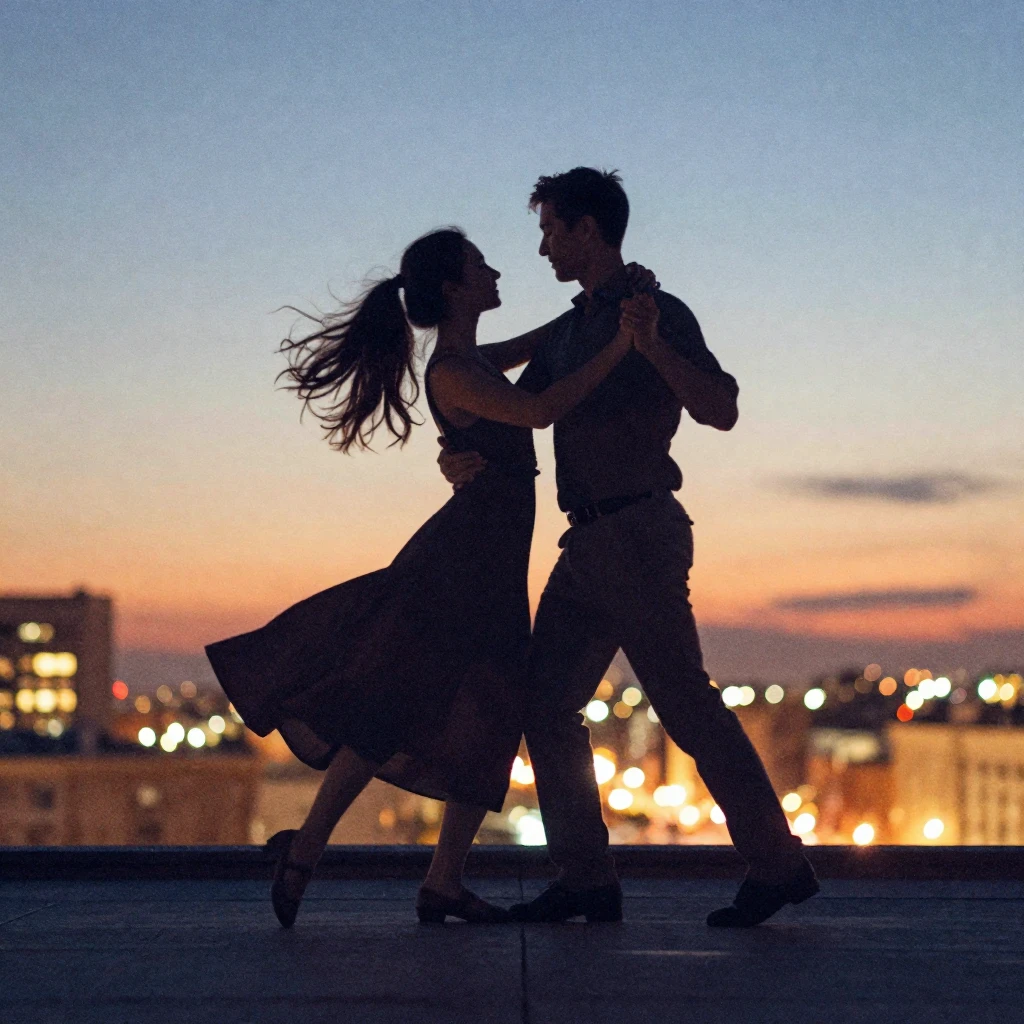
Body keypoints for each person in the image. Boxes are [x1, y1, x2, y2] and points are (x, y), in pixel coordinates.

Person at [205, 226, 649, 928]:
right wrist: (624, 342)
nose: (496, 271)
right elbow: (539, 410)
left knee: (484, 714)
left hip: (490, 561)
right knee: (402, 702)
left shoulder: (473, 360)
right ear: (453, 287)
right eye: (480, 265)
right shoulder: (452, 371)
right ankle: (317, 849)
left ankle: (434, 880)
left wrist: (600, 304)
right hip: (462, 562)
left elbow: (538, 347)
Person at [439, 168, 818, 927]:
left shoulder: (658, 311)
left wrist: (650, 347)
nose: (543, 247)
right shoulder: (571, 328)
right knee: (546, 706)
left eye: (551, 230)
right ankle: (588, 879)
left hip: (638, 534)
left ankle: (778, 865)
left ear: (588, 230)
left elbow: (720, 408)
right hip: (588, 543)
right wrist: (455, 451)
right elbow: (513, 403)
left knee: (684, 704)